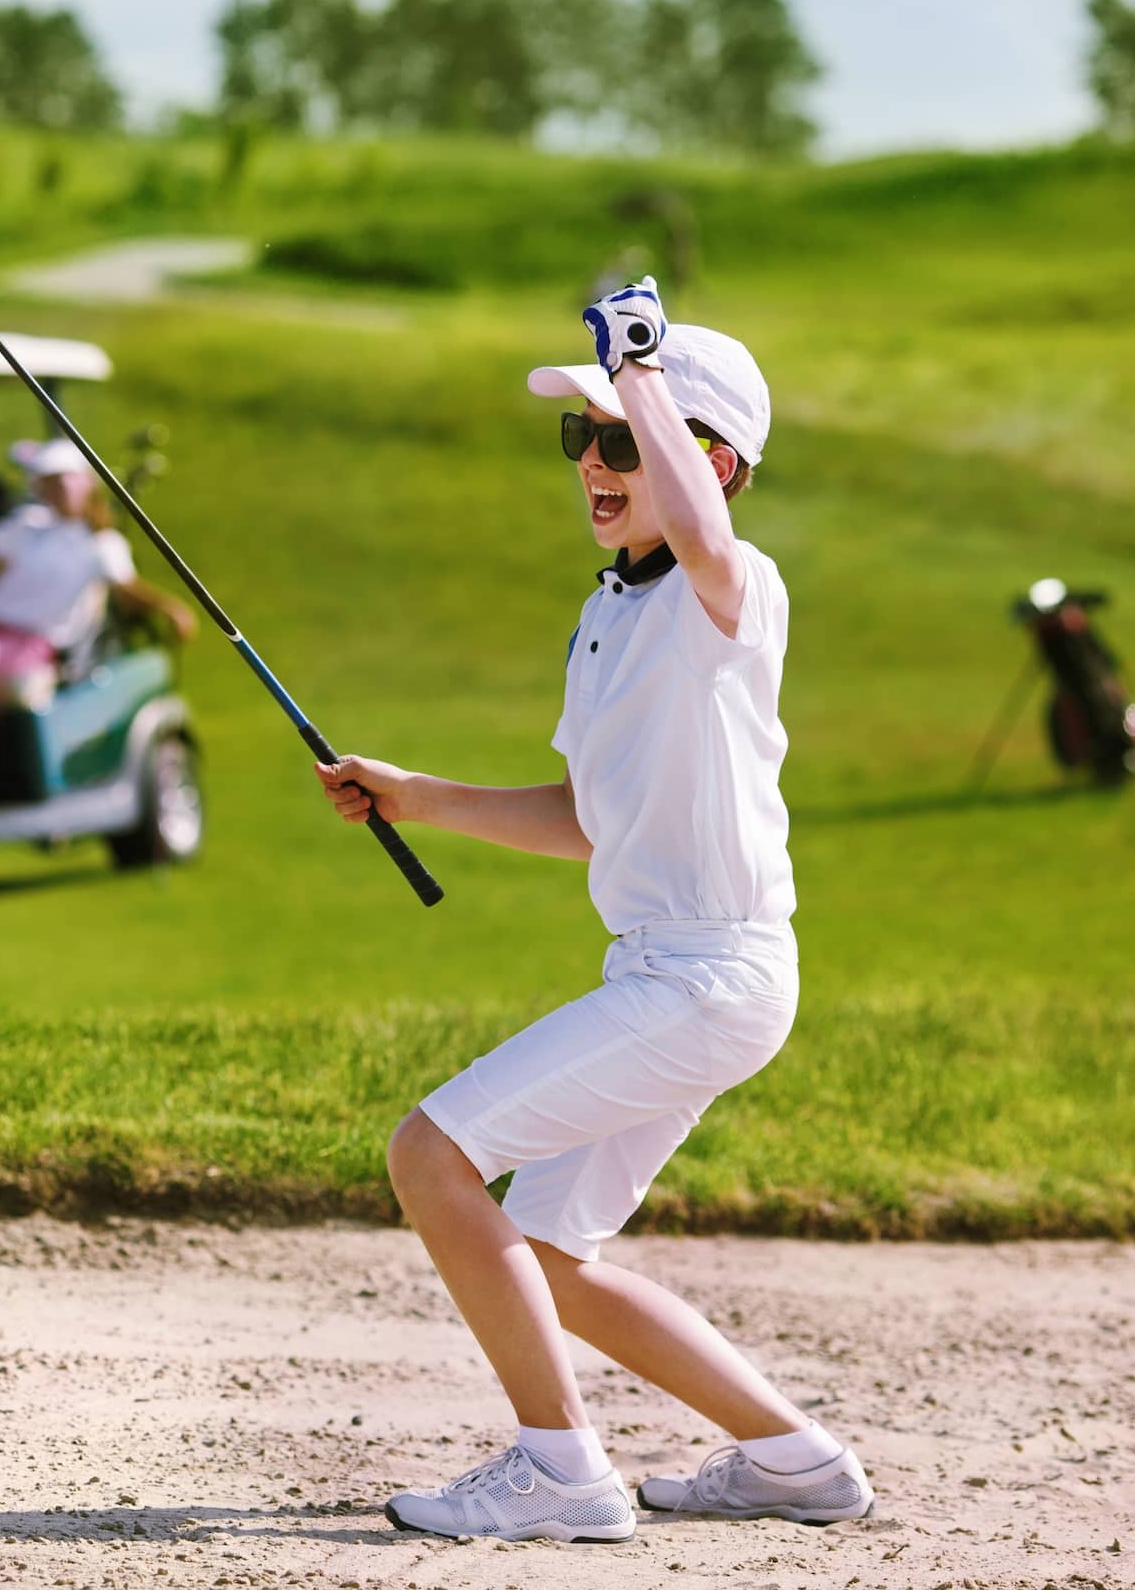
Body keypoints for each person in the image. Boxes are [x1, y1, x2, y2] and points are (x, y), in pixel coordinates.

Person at [314, 280, 873, 1544]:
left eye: (618, 439)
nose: (592, 464)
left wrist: (647, 373)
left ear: (709, 463)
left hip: (708, 977)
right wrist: (420, 796)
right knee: (549, 1251)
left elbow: (713, 545)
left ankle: (561, 1469)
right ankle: (796, 1458)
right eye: (583, 439)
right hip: (671, 978)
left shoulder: (736, 593)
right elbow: (584, 817)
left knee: (429, 1154)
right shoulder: (606, 613)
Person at [0, 437, 194, 725]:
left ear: (86, 483)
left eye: (66, 479)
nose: (61, 488)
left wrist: (170, 608)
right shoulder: (28, 526)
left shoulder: (102, 544)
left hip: (33, 645)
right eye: (51, 481)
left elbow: (127, 590)